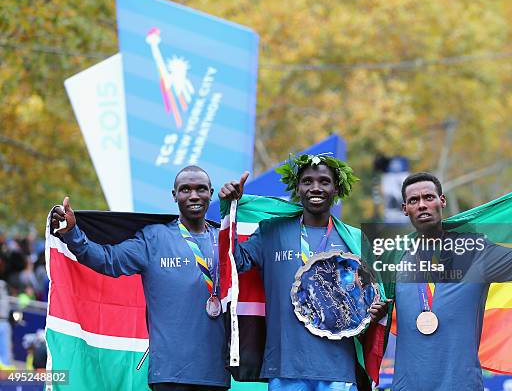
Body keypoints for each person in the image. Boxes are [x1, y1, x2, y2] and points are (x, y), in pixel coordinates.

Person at [391, 172, 512, 391]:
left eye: (429, 197)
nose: (422, 204)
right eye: (414, 200)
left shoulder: (475, 251)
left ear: (441, 201)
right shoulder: (394, 258)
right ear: (405, 209)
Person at [50, 165, 229, 391]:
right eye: (185, 189)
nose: (194, 195)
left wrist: (235, 206)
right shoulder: (154, 238)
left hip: (215, 373)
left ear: (210, 193)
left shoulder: (224, 240)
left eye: (201, 189)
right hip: (169, 374)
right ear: (174, 196)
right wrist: (72, 234)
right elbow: (109, 260)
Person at [219, 154, 389, 391]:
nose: (315, 188)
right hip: (286, 367)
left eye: (324, 181)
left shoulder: (356, 240)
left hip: (338, 368)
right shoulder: (271, 232)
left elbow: (371, 298)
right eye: (307, 181)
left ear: (336, 188)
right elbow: (232, 263)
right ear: (297, 188)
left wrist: (375, 310)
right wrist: (230, 208)